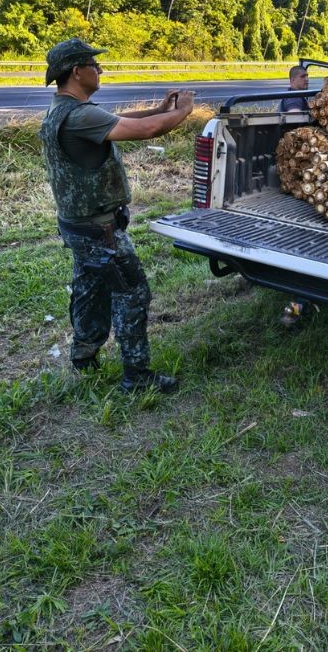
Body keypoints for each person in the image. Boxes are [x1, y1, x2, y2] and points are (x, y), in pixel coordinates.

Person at [39, 38, 195, 393]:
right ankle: (136, 376)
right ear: (77, 72)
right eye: (94, 65)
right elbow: (146, 131)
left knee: (89, 290)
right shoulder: (80, 116)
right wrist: (183, 111)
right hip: (100, 231)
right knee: (132, 293)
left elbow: (119, 121)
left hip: (77, 225)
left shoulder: (62, 109)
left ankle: (84, 357)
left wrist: (159, 108)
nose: (100, 70)